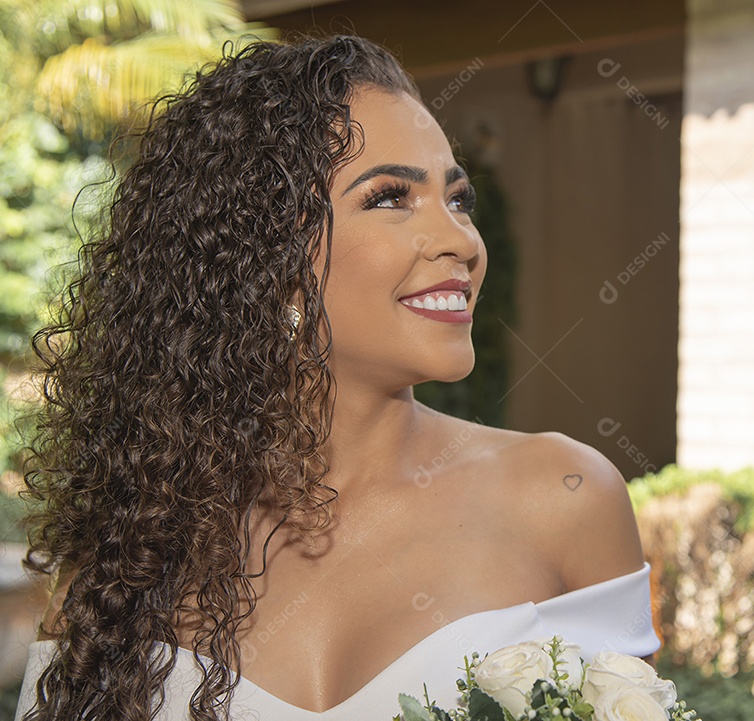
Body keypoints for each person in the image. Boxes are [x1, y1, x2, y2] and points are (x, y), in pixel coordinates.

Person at [12, 34, 660, 721]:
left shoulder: (564, 498)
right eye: (390, 198)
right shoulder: (138, 538)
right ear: (273, 258)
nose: (462, 242)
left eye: (458, 198)